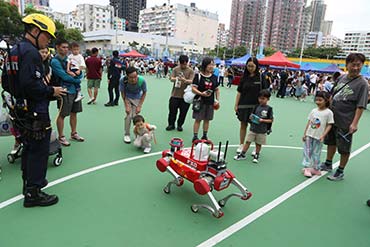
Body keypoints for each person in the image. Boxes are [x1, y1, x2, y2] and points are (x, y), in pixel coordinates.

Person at [1, 14, 67, 207]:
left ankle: (28, 185)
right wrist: (51, 91)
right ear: (36, 31)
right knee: (39, 149)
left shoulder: (14, 50)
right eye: (48, 36)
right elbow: (32, 85)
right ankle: (34, 192)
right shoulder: (31, 53)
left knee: (28, 147)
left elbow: (5, 81)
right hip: (35, 109)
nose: (49, 41)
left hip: (19, 108)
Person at [321, 53, 369, 181]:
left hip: (346, 120)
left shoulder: (363, 84)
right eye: (353, 65)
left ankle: (340, 171)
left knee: (344, 147)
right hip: (332, 118)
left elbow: (361, 105)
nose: (355, 68)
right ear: (347, 65)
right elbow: (332, 95)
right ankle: (328, 163)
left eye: (359, 65)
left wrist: (354, 123)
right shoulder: (341, 78)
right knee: (330, 142)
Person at [51, 38, 85, 147]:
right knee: (62, 114)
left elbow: (80, 72)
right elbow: (64, 76)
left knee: (74, 113)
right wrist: (77, 80)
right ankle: (61, 137)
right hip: (64, 90)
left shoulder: (69, 60)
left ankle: (73, 133)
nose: (66, 49)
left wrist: (79, 75)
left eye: (67, 47)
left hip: (75, 90)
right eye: (63, 47)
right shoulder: (55, 61)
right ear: (57, 47)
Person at [234, 89, 273, 163]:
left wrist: (262, 120)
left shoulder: (269, 109)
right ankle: (242, 154)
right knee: (248, 141)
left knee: (258, 143)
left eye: (263, 99)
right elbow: (252, 116)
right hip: (253, 129)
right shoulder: (256, 107)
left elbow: (271, 120)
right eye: (260, 98)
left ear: (268, 99)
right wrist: (251, 117)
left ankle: (256, 155)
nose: (261, 100)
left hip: (262, 130)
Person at [301, 91, 334, 178]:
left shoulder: (329, 112)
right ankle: (307, 167)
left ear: (326, 101)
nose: (318, 102)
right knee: (307, 152)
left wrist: (323, 135)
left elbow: (329, 125)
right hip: (309, 135)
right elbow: (309, 122)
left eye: (320, 100)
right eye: (316, 100)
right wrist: (305, 134)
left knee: (316, 153)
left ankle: (316, 168)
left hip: (319, 137)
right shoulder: (313, 111)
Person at [234, 57, 262, 154]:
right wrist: (236, 105)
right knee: (243, 125)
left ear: (256, 66)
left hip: (256, 107)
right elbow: (239, 92)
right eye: (249, 66)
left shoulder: (261, 78)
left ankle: (256, 147)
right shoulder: (243, 77)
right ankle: (241, 144)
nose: (250, 68)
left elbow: (265, 93)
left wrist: (263, 107)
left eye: (252, 66)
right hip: (243, 105)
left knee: (255, 127)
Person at [191, 57, 220, 142]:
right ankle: (195, 137)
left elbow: (217, 89)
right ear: (205, 65)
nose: (211, 66)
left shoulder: (214, 77)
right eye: (209, 64)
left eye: (212, 64)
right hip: (200, 101)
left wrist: (217, 100)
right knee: (198, 119)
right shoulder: (198, 76)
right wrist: (201, 93)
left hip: (210, 102)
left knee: (207, 119)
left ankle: (204, 136)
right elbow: (193, 88)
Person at [166, 55, 195, 131]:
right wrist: (177, 79)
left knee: (183, 113)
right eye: (182, 64)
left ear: (187, 63)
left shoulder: (191, 71)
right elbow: (171, 78)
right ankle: (171, 124)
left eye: (185, 64)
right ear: (179, 62)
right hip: (175, 94)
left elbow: (192, 81)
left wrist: (184, 80)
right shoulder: (175, 69)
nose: (183, 65)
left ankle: (180, 125)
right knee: (172, 111)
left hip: (186, 96)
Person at [120, 67, 147, 143]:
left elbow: (144, 93)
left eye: (135, 77)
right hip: (127, 97)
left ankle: (138, 135)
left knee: (136, 118)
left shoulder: (142, 81)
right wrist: (126, 105)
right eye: (131, 77)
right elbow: (122, 93)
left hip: (137, 98)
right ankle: (127, 134)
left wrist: (139, 106)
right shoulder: (123, 80)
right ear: (127, 76)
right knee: (128, 116)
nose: (133, 79)